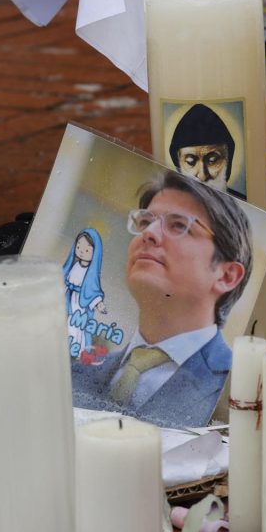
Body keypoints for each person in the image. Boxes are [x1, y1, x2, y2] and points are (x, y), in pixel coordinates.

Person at [73, 172, 252, 428]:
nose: (149, 234)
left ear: (226, 275)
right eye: (145, 222)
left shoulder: (240, 386)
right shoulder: (79, 371)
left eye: (179, 225)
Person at [168, 104, 236, 194]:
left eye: (212, 160)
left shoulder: (249, 206)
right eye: (190, 162)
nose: (202, 176)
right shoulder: (169, 204)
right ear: (178, 165)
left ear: (228, 160)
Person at [63, 228, 107, 358]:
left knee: (76, 325)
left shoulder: (91, 273)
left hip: (81, 304)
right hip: (69, 298)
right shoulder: (74, 265)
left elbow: (93, 290)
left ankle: (75, 349)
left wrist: (99, 304)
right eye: (78, 247)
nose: (81, 251)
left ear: (95, 252)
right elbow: (66, 280)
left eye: (87, 250)